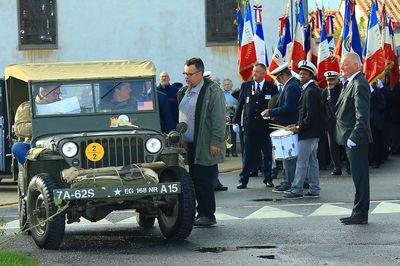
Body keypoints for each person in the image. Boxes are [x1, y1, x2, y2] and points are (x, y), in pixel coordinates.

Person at [177, 57, 225, 226]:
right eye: (185, 73)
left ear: (200, 73)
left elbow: (219, 118)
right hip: (188, 143)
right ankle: (200, 212)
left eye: (190, 74)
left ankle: (207, 214)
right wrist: (182, 136)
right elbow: (183, 116)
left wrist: (216, 142)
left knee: (203, 180)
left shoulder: (213, 91)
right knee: (193, 180)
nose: (186, 77)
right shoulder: (184, 91)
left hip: (205, 143)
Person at [336, 52, 372, 225]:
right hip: (349, 137)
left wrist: (355, 136)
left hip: (355, 139)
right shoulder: (351, 83)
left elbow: (362, 115)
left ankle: (360, 214)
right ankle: (357, 212)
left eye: (345, 64)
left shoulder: (359, 83)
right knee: (357, 177)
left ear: (356, 66)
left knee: (360, 177)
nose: (342, 67)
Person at [233, 63, 278, 189]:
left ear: (264, 74)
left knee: (267, 154)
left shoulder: (271, 87)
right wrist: (235, 121)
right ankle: (243, 180)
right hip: (250, 127)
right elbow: (240, 104)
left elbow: (275, 105)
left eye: (257, 72)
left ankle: (268, 178)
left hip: (265, 128)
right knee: (248, 155)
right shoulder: (246, 86)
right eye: (253, 71)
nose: (254, 74)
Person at [284, 61, 323, 199]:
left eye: (304, 74)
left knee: (302, 162)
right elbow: (305, 114)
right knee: (312, 162)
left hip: (308, 133)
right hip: (311, 132)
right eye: (300, 73)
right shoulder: (308, 89)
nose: (301, 75)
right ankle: (314, 188)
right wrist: (295, 125)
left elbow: (311, 115)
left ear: (311, 75)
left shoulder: (311, 91)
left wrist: (298, 127)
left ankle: (297, 189)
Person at [262, 63, 301, 193]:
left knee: (288, 156)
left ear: (283, 75)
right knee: (286, 155)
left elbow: (288, 108)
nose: (277, 81)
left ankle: (289, 181)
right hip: (286, 125)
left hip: (289, 125)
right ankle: (288, 180)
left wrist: (271, 112)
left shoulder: (291, 87)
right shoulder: (290, 86)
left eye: (278, 78)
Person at [12, 85, 61, 165]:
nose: (57, 97)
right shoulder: (28, 107)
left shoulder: (63, 105)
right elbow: (19, 129)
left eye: (58, 94)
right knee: (18, 147)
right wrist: (41, 125)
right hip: (37, 144)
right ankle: (34, 169)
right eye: (55, 94)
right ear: (43, 92)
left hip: (63, 142)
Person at [321, 71, 344, 175]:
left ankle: (349, 166)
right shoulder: (325, 92)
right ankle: (337, 167)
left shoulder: (343, 89)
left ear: (338, 80)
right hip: (330, 124)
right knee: (333, 147)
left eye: (332, 79)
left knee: (345, 145)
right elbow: (322, 108)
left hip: (343, 123)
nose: (330, 82)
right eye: (328, 80)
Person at [369, 82, 386, 168]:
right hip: (366, 122)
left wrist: (374, 112)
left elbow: (383, 105)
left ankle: (376, 160)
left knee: (376, 142)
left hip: (375, 122)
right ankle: (370, 159)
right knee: (369, 143)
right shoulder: (362, 89)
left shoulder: (377, 91)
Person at [223, 78, 238, 157]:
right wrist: (225, 107)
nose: (227, 86)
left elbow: (239, 105)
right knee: (225, 134)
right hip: (224, 116)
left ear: (231, 85)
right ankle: (226, 151)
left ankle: (234, 151)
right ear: (223, 86)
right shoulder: (221, 94)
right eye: (225, 84)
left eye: (228, 84)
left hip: (233, 116)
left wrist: (233, 106)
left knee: (234, 134)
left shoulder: (235, 94)